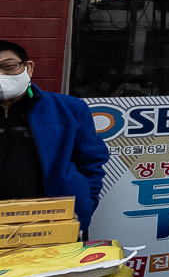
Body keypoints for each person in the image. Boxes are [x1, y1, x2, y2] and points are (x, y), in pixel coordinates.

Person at [0, 37, 110, 233]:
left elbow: (91, 163)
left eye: (8, 67)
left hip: (54, 222)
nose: (1, 76)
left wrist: (83, 208)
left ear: (29, 68)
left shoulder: (69, 109)